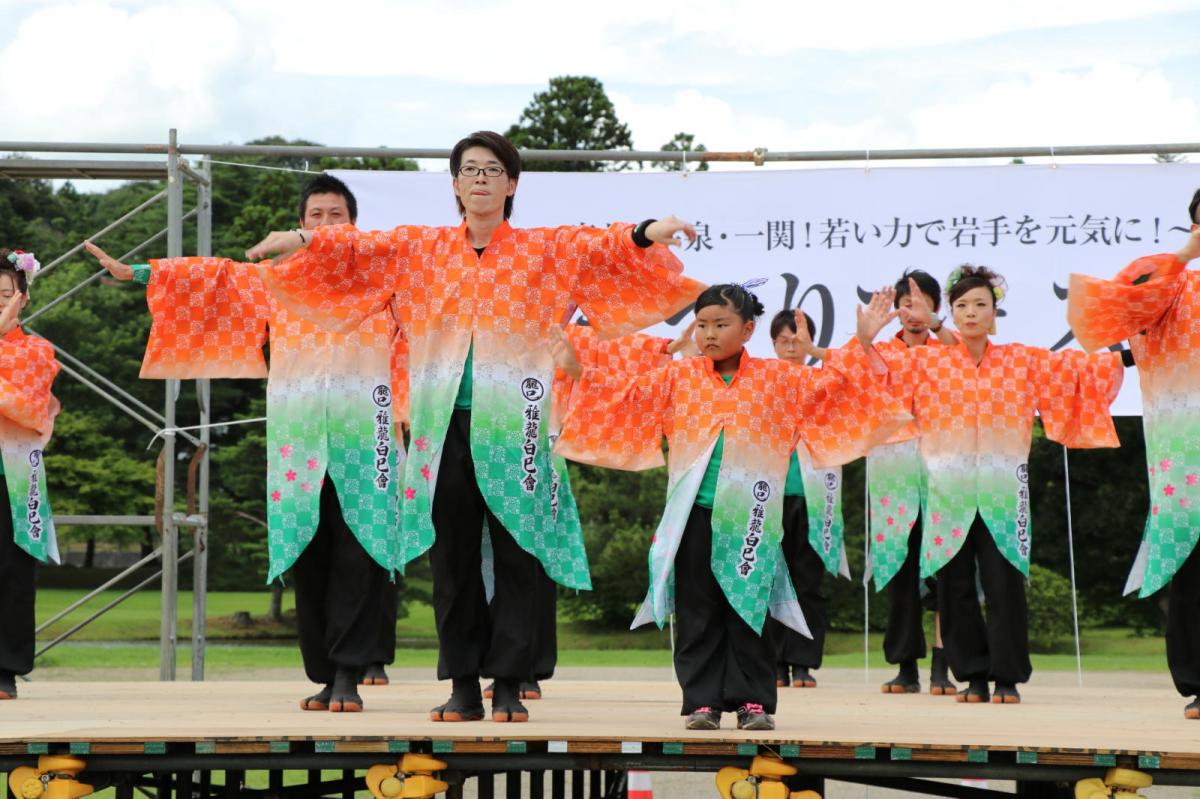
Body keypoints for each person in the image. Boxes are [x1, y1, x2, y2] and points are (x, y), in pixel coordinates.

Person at [244, 131, 705, 723]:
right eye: (469, 170)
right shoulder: (422, 249)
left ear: (512, 184)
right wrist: (303, 238)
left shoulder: (544, 250)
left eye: (492, 170)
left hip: (519, 426)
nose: (480, 179)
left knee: (519, 553)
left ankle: (509, 682)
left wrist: (647, 231)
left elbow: (599, 245)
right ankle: (463, 682)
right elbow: (360, 252)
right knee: (453, 560)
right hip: (442, 430)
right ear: (456, 185)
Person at [85, 175, 402, 713]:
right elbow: (211, 279)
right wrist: (137, 272)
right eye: (316, 216)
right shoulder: (275, 280)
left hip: (365, 433)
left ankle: (351, 671)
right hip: (298, 437)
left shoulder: (382, 277)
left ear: (355, 224)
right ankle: (326, 674)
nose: (326, 225)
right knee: (310, 551)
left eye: (337, 215)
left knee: (362, 552)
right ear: (301, 224)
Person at [555, 284, 909, 731]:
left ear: (747, 329)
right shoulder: (677, 378)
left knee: (749, 609)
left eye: (721, 325)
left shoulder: (779, 378)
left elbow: (840, 390)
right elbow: (626, 398)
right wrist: (578, 373)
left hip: (753, 519)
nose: (709, 334)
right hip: (692, 514)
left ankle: (753, 702)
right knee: (697, 611)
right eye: (702, 325)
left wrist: (861, 342)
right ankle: (701, 702)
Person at [860, 267, 1123, 704]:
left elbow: (1079, 372)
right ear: (953, 312)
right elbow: (881, 379)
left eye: (980, 304)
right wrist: (868, 341)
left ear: (994, 312)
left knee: (1004, 585)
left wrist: (1136, 354)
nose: (970, 313)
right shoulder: (927, 362)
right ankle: (974, 676)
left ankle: (1007, 678)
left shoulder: (1022, 359)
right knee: (954, 587)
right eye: (961, 305)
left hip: (1004, 492)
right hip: (949, 491)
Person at [1067, 194, 1200, 719]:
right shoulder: (1168, 279)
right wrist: (1185, 255)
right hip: (1183, 446)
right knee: (1191, 568)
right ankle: (1196, 683)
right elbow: (1112, 307)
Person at [869, 270, 957, 695]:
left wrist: (940, 328)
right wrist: (865, 336)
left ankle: (945, 666)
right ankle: (906, 667)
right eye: (906, 303)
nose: (914, 312)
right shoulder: (882, 352)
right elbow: (852, 377)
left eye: (923, 304)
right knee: (899, 571)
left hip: (946, 476)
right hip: (894, 477)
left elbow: (975, 360)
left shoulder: (952, 350)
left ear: (937, 308)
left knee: (947, 570)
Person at [764, 309, 845, 689]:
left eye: (799, 338)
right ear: (773, 343)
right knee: (770, 580)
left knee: (807, 582)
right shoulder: (761, 382)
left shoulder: (824, 381)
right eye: (784, 339)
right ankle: (774, 662)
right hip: (771, 495)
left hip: (815, 494)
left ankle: (803, 663)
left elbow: (857, 380)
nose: (791, 346)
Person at [0, 249, 61, 701]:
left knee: (13, 568)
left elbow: (28, 407)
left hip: (15, 470)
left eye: (4, 294)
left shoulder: (37, 350)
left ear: (22, 298)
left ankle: (6, 666)